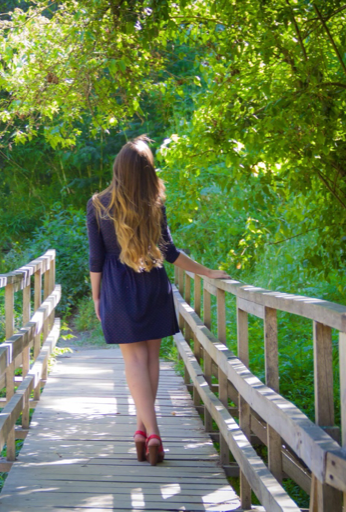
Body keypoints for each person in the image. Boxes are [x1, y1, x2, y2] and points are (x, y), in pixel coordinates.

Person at [86, 136, 230, 466]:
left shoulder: (98, 203)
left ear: (118, 169)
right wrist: (207, 271)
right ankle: (144, 430)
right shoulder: (154, 201)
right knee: (150, 358)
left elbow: (96, 258)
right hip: (151, 283)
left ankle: (151, 433)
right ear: (147, 171)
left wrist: (97, 296)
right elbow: (170, 252)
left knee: (134, 361)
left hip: (117, 289)